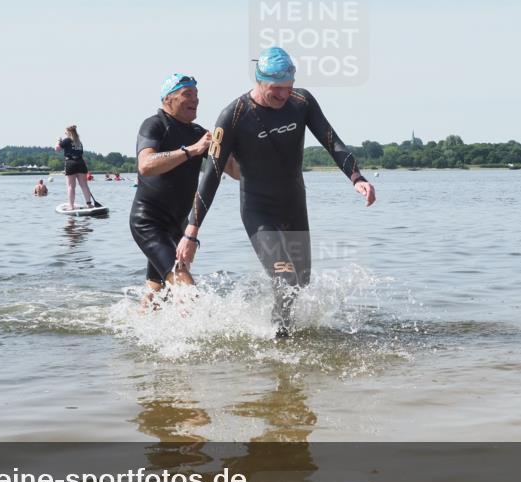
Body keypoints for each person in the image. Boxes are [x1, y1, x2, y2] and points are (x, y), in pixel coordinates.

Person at [176, 48, 376, 336]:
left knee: (301, 282)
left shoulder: (302, 101)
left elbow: (332, 141)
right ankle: (280, 337)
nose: (284, 96)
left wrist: (356, 178)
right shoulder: (234, 115)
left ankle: (283, 328)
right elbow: (212, 175)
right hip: (259, 210)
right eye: (276, 89)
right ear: (259, 80)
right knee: (286, 277)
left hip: (294, 206)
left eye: (288, 88)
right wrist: (191, 232)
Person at [130, 73, 237, 301]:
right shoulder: (154, 125)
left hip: (178, 227)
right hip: (149, 222)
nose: (195, 100)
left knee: (156, 292)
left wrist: (233, 146)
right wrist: (192, 150)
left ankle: (136, 331)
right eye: (187, 94)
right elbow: (146, 165)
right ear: (168, 99)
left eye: (197, 95)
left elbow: (236, 173)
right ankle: (205, 332)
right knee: (186, 287)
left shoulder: (199, 133)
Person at [54, 125, 96, 209]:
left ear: (69, 132)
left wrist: (58, 141)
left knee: (71, 186)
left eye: (65, 132)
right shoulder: (79, 142)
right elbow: (81, 154)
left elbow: (57, 149)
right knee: (84, 185)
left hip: (71, 163)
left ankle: (71, 206)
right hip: (81, 163)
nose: (65, 133)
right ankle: (89, 203)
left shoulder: (67, 140)